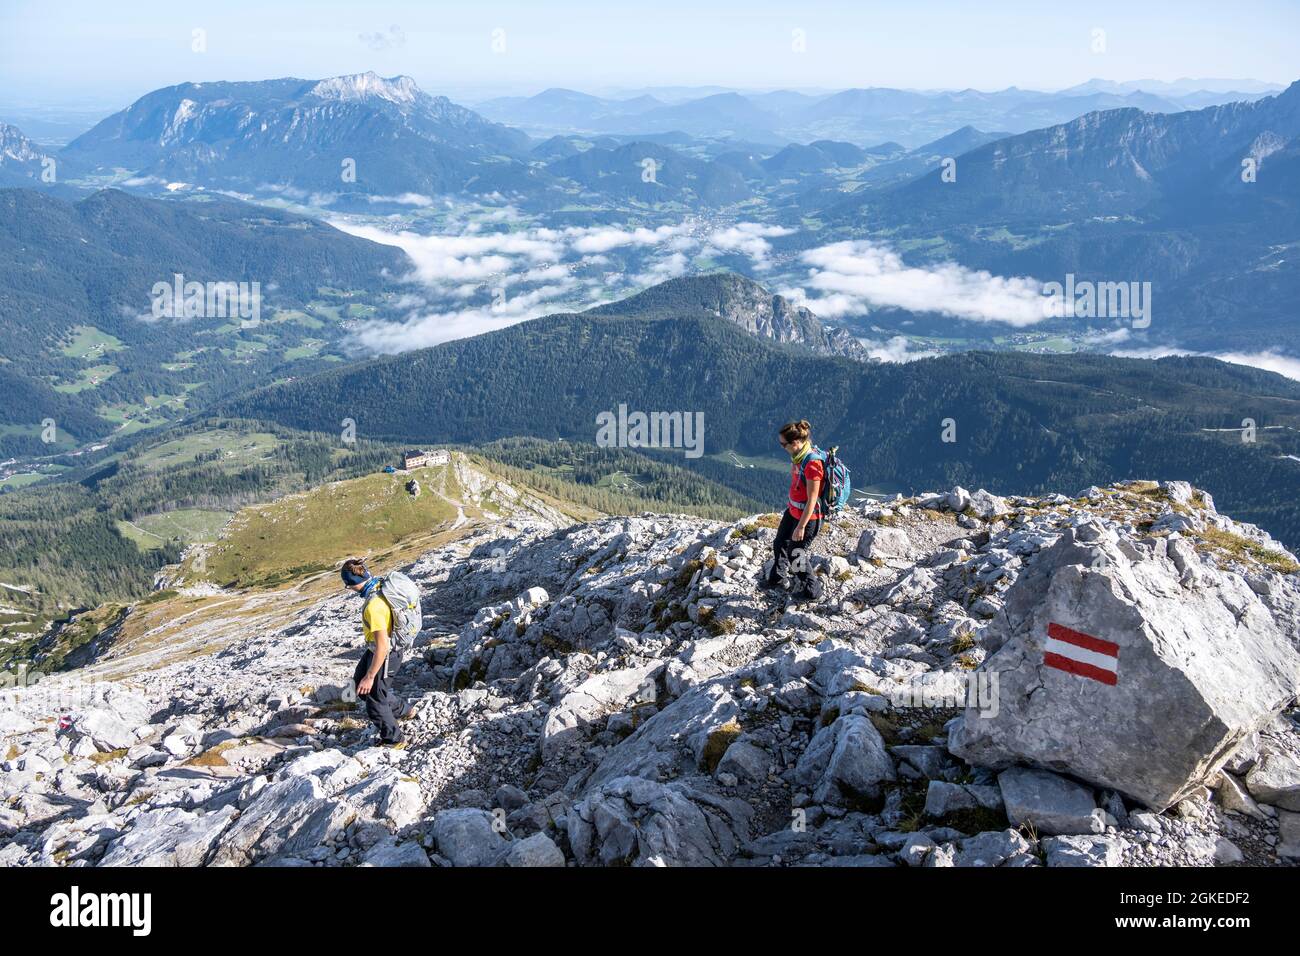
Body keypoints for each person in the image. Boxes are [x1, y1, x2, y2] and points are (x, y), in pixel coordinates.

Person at [341, 558, 414, 746]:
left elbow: (383, 645)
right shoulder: (379, 585)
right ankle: (404, 710)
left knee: (374, 698)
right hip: (376, 649)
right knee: (359, 684)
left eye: (347, 586)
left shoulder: (374, 606)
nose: (349, 590)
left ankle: (394, 740)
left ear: (353, 583)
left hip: (386, 653)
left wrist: (371, 676)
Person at [763, 420, 826, 601]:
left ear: (795, 443)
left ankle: (812, 590)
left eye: (783, 444)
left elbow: (812, 500)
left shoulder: (813, 464)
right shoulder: (799, 457)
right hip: (792, 511)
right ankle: (777, 578)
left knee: (795, 554)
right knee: (780, 542)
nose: (782, 447)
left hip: (808, 518)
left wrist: (801, 527)